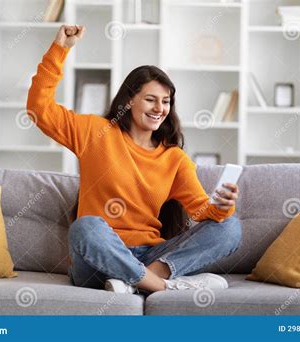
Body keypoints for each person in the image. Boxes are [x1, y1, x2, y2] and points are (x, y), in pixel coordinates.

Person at [27, 25, 242, 294]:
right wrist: (60, 49)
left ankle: (135, 282)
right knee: (86, 227)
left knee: (230, 227)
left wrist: (222, 206)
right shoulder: (95, 132)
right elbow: (39, 109)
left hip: (152, 256)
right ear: (129, 101)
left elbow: (202, 212)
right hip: (97, 262)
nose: (159, 109)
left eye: (165, 101)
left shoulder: (174, 158)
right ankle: (160, 286)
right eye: (151, 99)